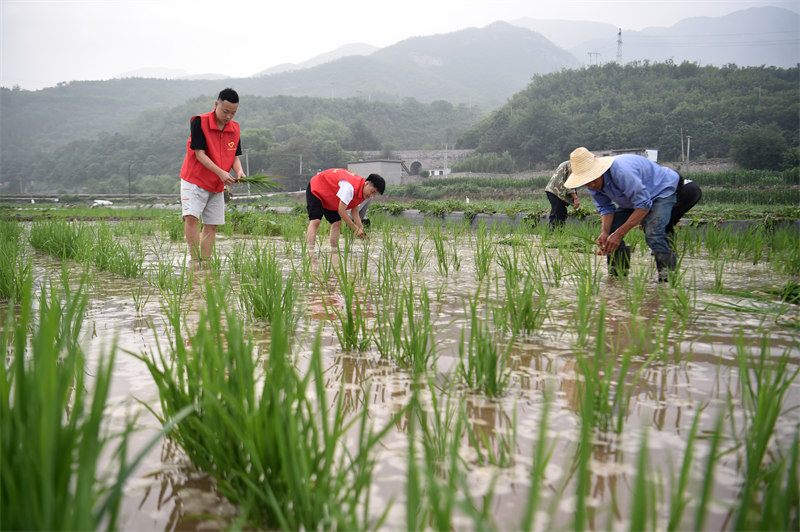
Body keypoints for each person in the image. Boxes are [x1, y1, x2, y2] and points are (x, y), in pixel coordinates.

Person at [564, 147, 701, 281]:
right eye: (587, 182)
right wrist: (605, 232)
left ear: (600, 170)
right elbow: (606, 208)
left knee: (653, 231)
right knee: (612, 229)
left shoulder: (622, 172)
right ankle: (618, 276)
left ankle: (668, 279)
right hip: (634, 200)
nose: (592, 185)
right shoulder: (593, 185)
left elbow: (643, 205)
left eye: (593, 179)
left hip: (661, 191)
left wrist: (620, 233)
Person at [179, 88, 246, 261]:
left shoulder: (235, 129)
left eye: (233, 112)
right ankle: (195, 261)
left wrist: (238, 170)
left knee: (212, 224)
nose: (229, 116)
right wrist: (222, 173)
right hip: (195, 180)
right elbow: (200, 154)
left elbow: (234, 157)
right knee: (191, 218)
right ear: (216, 105)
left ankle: (205, 263)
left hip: (216, 184)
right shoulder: (200, 122)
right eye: (225, 111)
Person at [305, 168, 385, 251]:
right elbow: (341, 211)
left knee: (337, 223)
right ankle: (310, 251)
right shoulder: (349, 187)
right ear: (367, 183)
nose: (371, 195)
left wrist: (361, 228)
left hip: (331, 196)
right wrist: (355, 229)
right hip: (316, 187)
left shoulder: (363, 192)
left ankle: (334, 251)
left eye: (374, 194)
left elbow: (355, 211)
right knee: (316, 220)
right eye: (372, 192)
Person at [544, 160, 580, 227]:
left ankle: (559, 233)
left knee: (562, 214)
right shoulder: (573, 166)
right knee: (557, 214)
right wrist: (575, 199)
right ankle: (552, 234)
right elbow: (570, 185)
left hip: (556, 192)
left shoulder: (568, 163)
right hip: (556, 192)